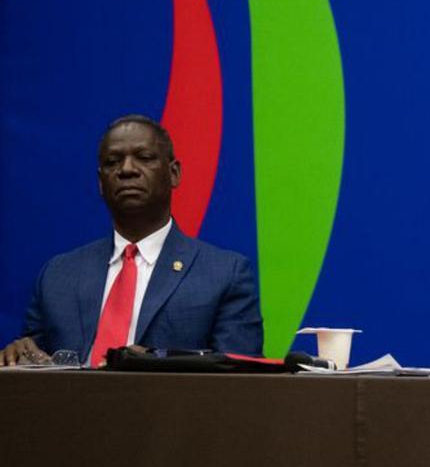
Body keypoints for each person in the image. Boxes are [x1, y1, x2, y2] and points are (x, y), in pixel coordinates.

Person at [0, 115, 262, 367]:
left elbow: (237, 380)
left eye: (144, 158)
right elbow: (33, 367)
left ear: (174, 173)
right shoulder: (58, 275)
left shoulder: (224, 274)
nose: (126, 169)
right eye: (113, 162)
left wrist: (155, 361)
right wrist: (20, 355)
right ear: (101, 183)